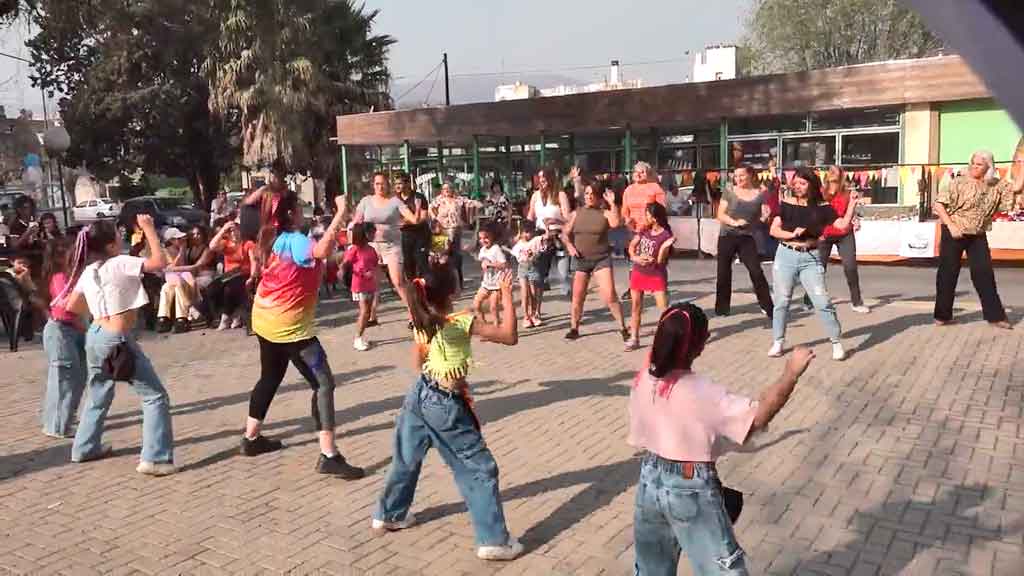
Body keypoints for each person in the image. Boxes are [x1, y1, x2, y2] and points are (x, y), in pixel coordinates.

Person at [629, 302, 815, 576]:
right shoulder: (702, 392)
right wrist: (791, 373)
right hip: (688, 486)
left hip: (650, 478)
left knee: (650, 570)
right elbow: (757, 419)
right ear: (700, 345)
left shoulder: (644, 378)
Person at [372, 263, 523, 561]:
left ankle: (389, 514)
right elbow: (509, 335)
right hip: (444, 403)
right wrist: (506, 294)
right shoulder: (460, 322)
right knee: (480, 468)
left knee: (405, 457)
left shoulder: (422, 316)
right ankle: (494, 541)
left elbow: (419, 357)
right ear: (452, 291)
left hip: (420, 393)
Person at [241, 194, 365, 478]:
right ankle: (329, 455)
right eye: (300, 209)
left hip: (264, 319)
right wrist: (341, 212)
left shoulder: (275, 239)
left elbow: (318, 257)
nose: (304, 213)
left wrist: (342, 250)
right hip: (289, 327)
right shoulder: (296, 240)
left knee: (270, 376)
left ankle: (251, 439)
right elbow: (318, 253)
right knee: (324, 384)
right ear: (292, 214)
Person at [61, 216, 176, 475]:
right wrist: (148, 230)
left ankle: (84, 447)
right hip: (116, 337)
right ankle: (155, 458)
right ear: (111, 245)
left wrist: (100, 303)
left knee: (99, 391)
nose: (122, 238)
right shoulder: (120, 262)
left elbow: (73, 306)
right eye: (118, 235)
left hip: (96, 334)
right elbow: (159, 263)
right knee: (154, 395)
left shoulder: (89, 271)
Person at [768, 167, 854, 361]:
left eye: (802, 183)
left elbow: (841, 225)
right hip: (785, 255)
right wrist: (792, 234)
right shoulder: (787, 203)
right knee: (782, 301)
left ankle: (836, 342)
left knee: (822, 302)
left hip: (811, 257)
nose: (797, 186)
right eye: (796, 182)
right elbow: (774, 230)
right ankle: (778, 341)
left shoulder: (822, 206)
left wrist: (852, 206)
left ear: (812, 184)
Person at [933, 150, 1023, 329]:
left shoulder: (995, 185)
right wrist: (951, 226)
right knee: (948, 273)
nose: (974, 167)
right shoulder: (958, 182)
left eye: (979, 164)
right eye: (973, 163)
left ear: (989, 167)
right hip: (954, 231)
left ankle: (996, 317)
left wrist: (1022, 165)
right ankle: (942, 316)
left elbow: (1016, 188)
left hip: (977, 234)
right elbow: (939, 205)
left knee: (984, 273)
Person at [562, 179, 629, 341]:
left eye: (592, 194)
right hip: (581, 260)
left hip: (601, 258)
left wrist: (613, 203)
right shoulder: (577, 213)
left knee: (609, 295)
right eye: (587, 193)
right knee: (577, 296)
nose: (589, 196)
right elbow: (564, 233)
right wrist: (570, 246)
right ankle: (574, 328)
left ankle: (623, 327)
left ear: (598, 196)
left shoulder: (604, 212)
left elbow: (616, 222)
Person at [353, 172, 418, 327]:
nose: (380, 187)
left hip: (392, 246)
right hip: (372, 247)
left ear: (387, 185)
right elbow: (357, 220)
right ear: (373, 185)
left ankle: (414, 315)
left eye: (383, 183)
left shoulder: (394, 201)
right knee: (373, 283)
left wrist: (414, 216)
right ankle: (372, 316)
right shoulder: (366, 201)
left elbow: (412, 218)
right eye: (377, 184)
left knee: (397, 281)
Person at [801, 166, 868, 314]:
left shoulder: (848, 193)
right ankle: (808, 299)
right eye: (830, 171)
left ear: (841, 176)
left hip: (844, 234)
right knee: (818, 269)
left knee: (850, 267)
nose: (832, 173)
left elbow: (849, 212)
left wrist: (855, 218)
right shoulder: (820, 193)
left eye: (835, 171)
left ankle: (857, 302)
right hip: (825, 235)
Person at [40, 237, 86, 438]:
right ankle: (57, 425)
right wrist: (81, 324)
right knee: (64, 379)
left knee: (77, 377)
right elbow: (62, 309)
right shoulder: (59, 277)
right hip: (62, 330)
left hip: (71, 330)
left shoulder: (70, 276)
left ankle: (62, 419)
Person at [715, 165, 774, 319]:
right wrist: (735, 223)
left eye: (741, 175)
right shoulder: (729, 191)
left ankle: (768, 306)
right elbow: (720, 214)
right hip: (727, 235)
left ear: (750, 175)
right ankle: (722, 308)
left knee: (756, 271)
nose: (738, 179)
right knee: (723, 272)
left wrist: (765, 216)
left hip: (747, 237)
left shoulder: (760, 194)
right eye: (735, 176)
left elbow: (763, 215)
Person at [526, 166, 573, 319]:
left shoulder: (560, 195)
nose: (542, 181)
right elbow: (530, 217)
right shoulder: (535, 196)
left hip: (558, 237)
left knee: (563, 276)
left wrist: (556, 220)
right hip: (542, 239)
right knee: (538, 277)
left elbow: (569, 218)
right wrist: (524, 235)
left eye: (544, 177)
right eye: (539, 178)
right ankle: (536, 312)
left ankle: (575, 304)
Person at [626, 203, 674, 351]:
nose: (644, 217)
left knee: (664, 309)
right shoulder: (644, 230)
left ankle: (671, 338)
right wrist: (635, 258)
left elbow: (661, 261)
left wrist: (664, 248)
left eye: (647, 214)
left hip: (656, 274)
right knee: (636, 307)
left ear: (655, 217)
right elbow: (632, 247)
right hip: (638, 272)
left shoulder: (666, 235)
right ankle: (634, 338)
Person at [620, 162, 667, 300]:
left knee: (655, 258)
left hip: (651, 229)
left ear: (648, 174)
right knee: (633, 258)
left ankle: (659, 285)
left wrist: (650, 223)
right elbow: (624, 209)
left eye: (642, 172)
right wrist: (627, 219)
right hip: (633, 229)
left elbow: (661, 209)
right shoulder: (628, 190)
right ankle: (633, 287)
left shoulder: (654, 188)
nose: (638, 174)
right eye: (636, 172)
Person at [207, 220, 258, 330]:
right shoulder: (226, 243)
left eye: (235, 230)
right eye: (231, 231)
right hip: (229, 275)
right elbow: (212, 246)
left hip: (243, 273)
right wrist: (223, 230)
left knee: (229, 289)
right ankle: (226, 315)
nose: (234, 233)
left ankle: (227, 317)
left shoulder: (248, 244)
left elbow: (254, 262)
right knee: (212, 289)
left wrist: (252, 278)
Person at [429, 179, 475, 289]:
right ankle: (441, 281)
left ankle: (458, 282)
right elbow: (430, 208)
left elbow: (472, 204)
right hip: (442, 230)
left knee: (456, 257)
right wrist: (435, 218)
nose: (447, 191)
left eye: (449, 188)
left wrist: (469, 218)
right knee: (440, 256)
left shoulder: (458, 199)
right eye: (444, 189)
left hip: (455, 230)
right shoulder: (438, 200)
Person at [344, 222, 379, 351]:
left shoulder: (371, 249)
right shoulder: (354, 249)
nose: (374, 235)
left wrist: (373, 273)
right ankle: (357, 338)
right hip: (359, 284)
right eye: (371, 232)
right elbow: (346, 265)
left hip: (370, 284)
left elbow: (375, 263)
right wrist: (360, 272)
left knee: (367, 312)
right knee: (364, 312)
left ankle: (361, 335)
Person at [156, 227, 196, 334]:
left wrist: (182, 251)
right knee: (167, 287)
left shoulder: (182, 249)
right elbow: (171, 267)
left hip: (181, 276)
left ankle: (180, 318)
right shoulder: (165, 251)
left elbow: (182, 266)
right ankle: (163, 317)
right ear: (171, 240)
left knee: (177, 287)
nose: (181, 241)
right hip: (171, 276)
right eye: (178, 239)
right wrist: (180, 254)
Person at [394, 171, 430, 281]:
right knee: (407, 264)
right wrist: (412, 219)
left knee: (421, 262)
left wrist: (405, 221)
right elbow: (394, 219)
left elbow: (423, 217)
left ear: (408, 183)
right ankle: (412, 290)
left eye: (400, 183)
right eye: (396, 184)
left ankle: (425, 290)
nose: (397, 186)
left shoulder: (418, 197)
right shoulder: (395, 199)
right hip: (403, 236)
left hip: (420, 235)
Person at [510, 221, 544, 327]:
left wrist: (534, 255)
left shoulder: (536, 241)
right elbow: (517, 257)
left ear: (533, 232)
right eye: (524, 232)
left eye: (529, 232)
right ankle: (526, 317)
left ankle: (533, 315)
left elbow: (542, 245)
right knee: (525, 294)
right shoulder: (518, 245)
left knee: (534, 293)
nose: (526, 235)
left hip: (534, 268)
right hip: (523, 269)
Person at [472, 226, 508, 325]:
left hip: (496, 285)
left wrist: (490, 264)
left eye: (486, 237)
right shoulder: (483, 250)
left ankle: (496, 326)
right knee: (476, 304)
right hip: (486, 283)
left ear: (492, 237)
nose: (483, 240)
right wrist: (483, 263)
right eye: (481, 238)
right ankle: (484, 324)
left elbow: (504, 264)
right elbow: (481, 260)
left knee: (493, 307)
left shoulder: (496, 249)